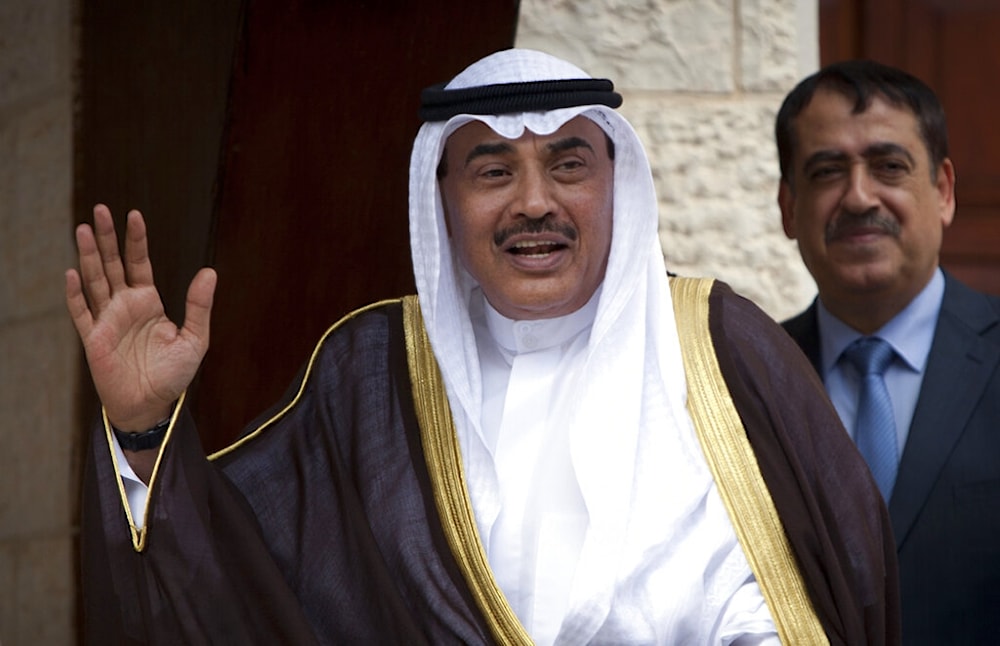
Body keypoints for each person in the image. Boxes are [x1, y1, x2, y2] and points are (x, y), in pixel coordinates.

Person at [68, 48, 898, 645]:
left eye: (569, 164)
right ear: (444, 198)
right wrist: (143, 431)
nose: (533, 203)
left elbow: (829, 574)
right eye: (492, 171)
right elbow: (236, 577)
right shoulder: (373, 370)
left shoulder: (720, 341)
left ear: (618, 184)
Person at [777, 59, 1000, 645]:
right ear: (788, 208)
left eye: (889, 167)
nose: (857, 196)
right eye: (826, 171)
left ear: (944, 191)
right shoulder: (741, 382)